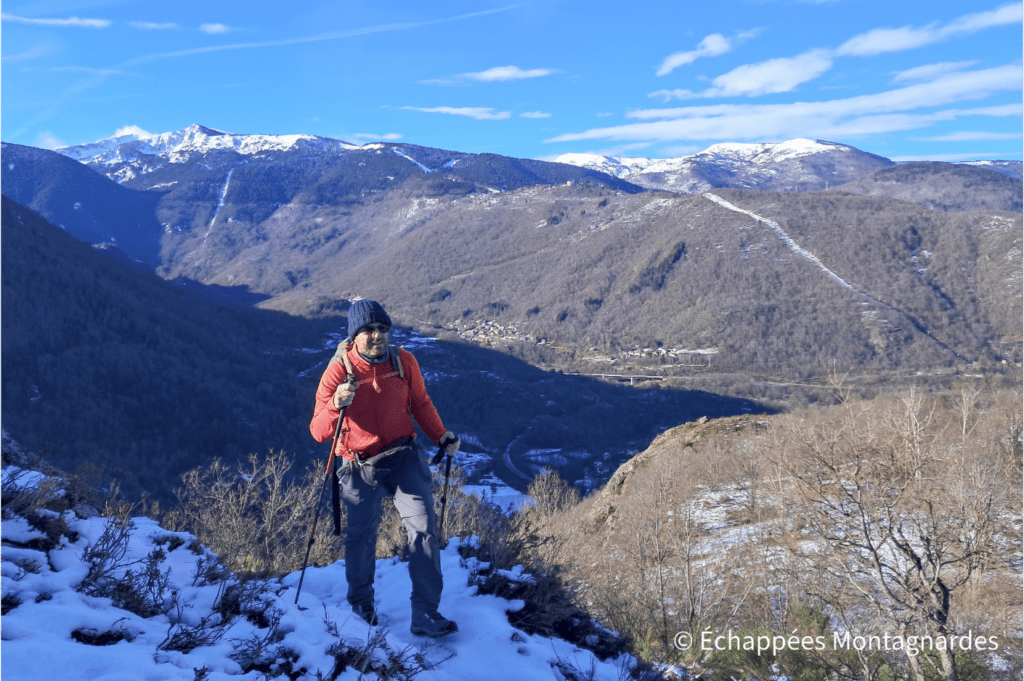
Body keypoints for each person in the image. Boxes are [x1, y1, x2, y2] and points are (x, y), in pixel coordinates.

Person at [309, 299, 461, 637]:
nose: (377, 335)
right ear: (354, 336)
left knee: (423, 529)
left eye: (382, 329)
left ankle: (426, 613)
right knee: (361, 536)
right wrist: (336, 403)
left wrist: (440, 435)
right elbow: (318, 430)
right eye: (369, 330)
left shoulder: (403, 362)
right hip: (358, 464)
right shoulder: (339, 370)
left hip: (402, 456)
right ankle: (361, 604)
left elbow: (420, 403)